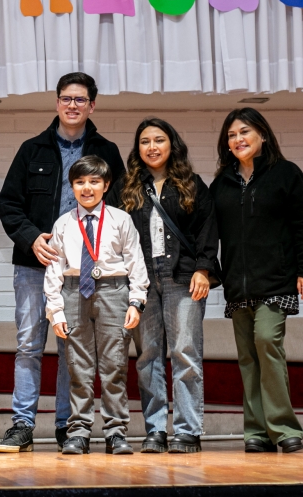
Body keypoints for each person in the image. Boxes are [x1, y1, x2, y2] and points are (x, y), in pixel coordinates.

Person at [0, 72, 126, 453]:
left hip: (83, 272)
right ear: (57, 103)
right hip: (34, 265)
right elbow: (8, 204)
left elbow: (120, 209)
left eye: (80, 99)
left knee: (75, 349)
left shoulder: (108, 151)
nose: (73, 105)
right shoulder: (31, 150)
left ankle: (71, 427)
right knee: (28, 346)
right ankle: (21, 424)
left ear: (92, 105)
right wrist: (31, 237)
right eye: (66, 98)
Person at [108, 118, 218, 454]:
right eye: (145, 141)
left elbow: (207, 230)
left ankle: (187, 431)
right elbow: (113, 233)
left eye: (159, 140)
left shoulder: (190, 183)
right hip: (140, 280)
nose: (152, 147)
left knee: (185, 353)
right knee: (148, 356)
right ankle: (155, 429)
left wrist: (203, 268)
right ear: (137, 148)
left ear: (172, 145)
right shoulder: (126, 186)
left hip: (183, 277)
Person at [210, 108, 303, 454]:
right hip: (238, 284)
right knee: (247, 357)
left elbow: (300, 226)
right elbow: (210, 233)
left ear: (262, 134)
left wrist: (302, 270)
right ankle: (256, 432)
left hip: (276, 280)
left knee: (267, 343)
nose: (238, 140)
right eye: (232, 135)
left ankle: (283, 427)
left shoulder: (286, 175)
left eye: (245, 132)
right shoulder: (221, 184)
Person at [47, 156, 149, 455]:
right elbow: (54, 269)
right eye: (80, 182)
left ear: (105, 185)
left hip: (113, 291)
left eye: (94, 182)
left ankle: (116, 432)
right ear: (72, 187)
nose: (87, 188)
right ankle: (78, 432)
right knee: (78, 367)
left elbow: (135, 262)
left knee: (114, 365)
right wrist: (55, 309)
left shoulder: (120, 219)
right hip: (74, 290)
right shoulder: (63, 223)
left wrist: (136, 301)